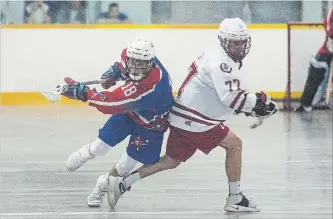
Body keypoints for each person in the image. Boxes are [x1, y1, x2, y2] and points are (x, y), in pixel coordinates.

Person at [90, 18, 277, 212]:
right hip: (196, 120)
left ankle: (122, 183)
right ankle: (235, 198)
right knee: (235, 145)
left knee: (171, 161)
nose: (239, 46)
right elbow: (229, 98)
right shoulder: (222, 64)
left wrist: (250, 104)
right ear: (223, 40)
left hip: (182, 115)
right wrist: (256, 103)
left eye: (241, 41)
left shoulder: (214, 53)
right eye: (234, 42)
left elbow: (219, 95)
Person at [61, 38, 174, 207]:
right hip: (130, 112)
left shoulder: (152, 87)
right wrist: (111, 74)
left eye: (141, 64)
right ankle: (87, 152)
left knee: (125, 166)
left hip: (150, 125)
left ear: (150, 63)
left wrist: (83, 94)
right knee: (101, 146)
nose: (136, 67)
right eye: (133, 62)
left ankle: (102, 185)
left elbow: (110, 103)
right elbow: (120, 66)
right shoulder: (137, 57)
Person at [295, 7, 333, 112]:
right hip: (327, 51)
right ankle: (306, 104)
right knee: (315, 73)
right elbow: (329, 29)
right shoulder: (332, 12)